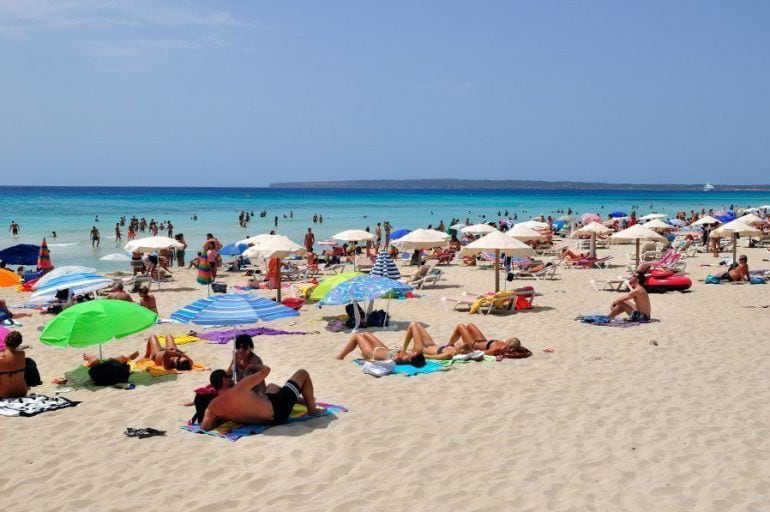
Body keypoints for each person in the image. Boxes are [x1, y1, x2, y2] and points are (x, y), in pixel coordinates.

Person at [200, 366, 324, 430]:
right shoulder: (239, 388)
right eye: (229, 377)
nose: (231, 378)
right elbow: (266, 370)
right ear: (224, 380)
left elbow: (204, 428)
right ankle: (312, 410)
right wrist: (254, 367)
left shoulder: (213, 406)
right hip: (279, 410)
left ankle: (302, 399)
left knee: (272, 386)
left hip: (264, 419)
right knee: (303, 374)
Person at [336, 332, 427, 367]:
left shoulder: (398, 358)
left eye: (414, 353)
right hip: (382, 348)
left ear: (412, 358)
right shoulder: (405, 354)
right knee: (366, 333)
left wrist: (369, 360)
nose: (413, 352)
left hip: (373, 354)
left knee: (357, 336)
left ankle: (341, 356)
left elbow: (383, 363)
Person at [443, 323, 532, 358]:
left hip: (473, 344)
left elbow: (481, 353)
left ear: (509, 343)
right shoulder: (503, 345)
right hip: (482, 341)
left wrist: (467, 350)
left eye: (509, 339)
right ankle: (450, 343)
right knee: (470, 325)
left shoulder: (498, 348)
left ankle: (449, 344)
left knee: (460, 326)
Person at [0, 331, 28, 398]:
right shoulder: (22, 354)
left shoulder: (1, 358)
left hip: (4, 394)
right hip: (22, 392)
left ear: (5, 341)